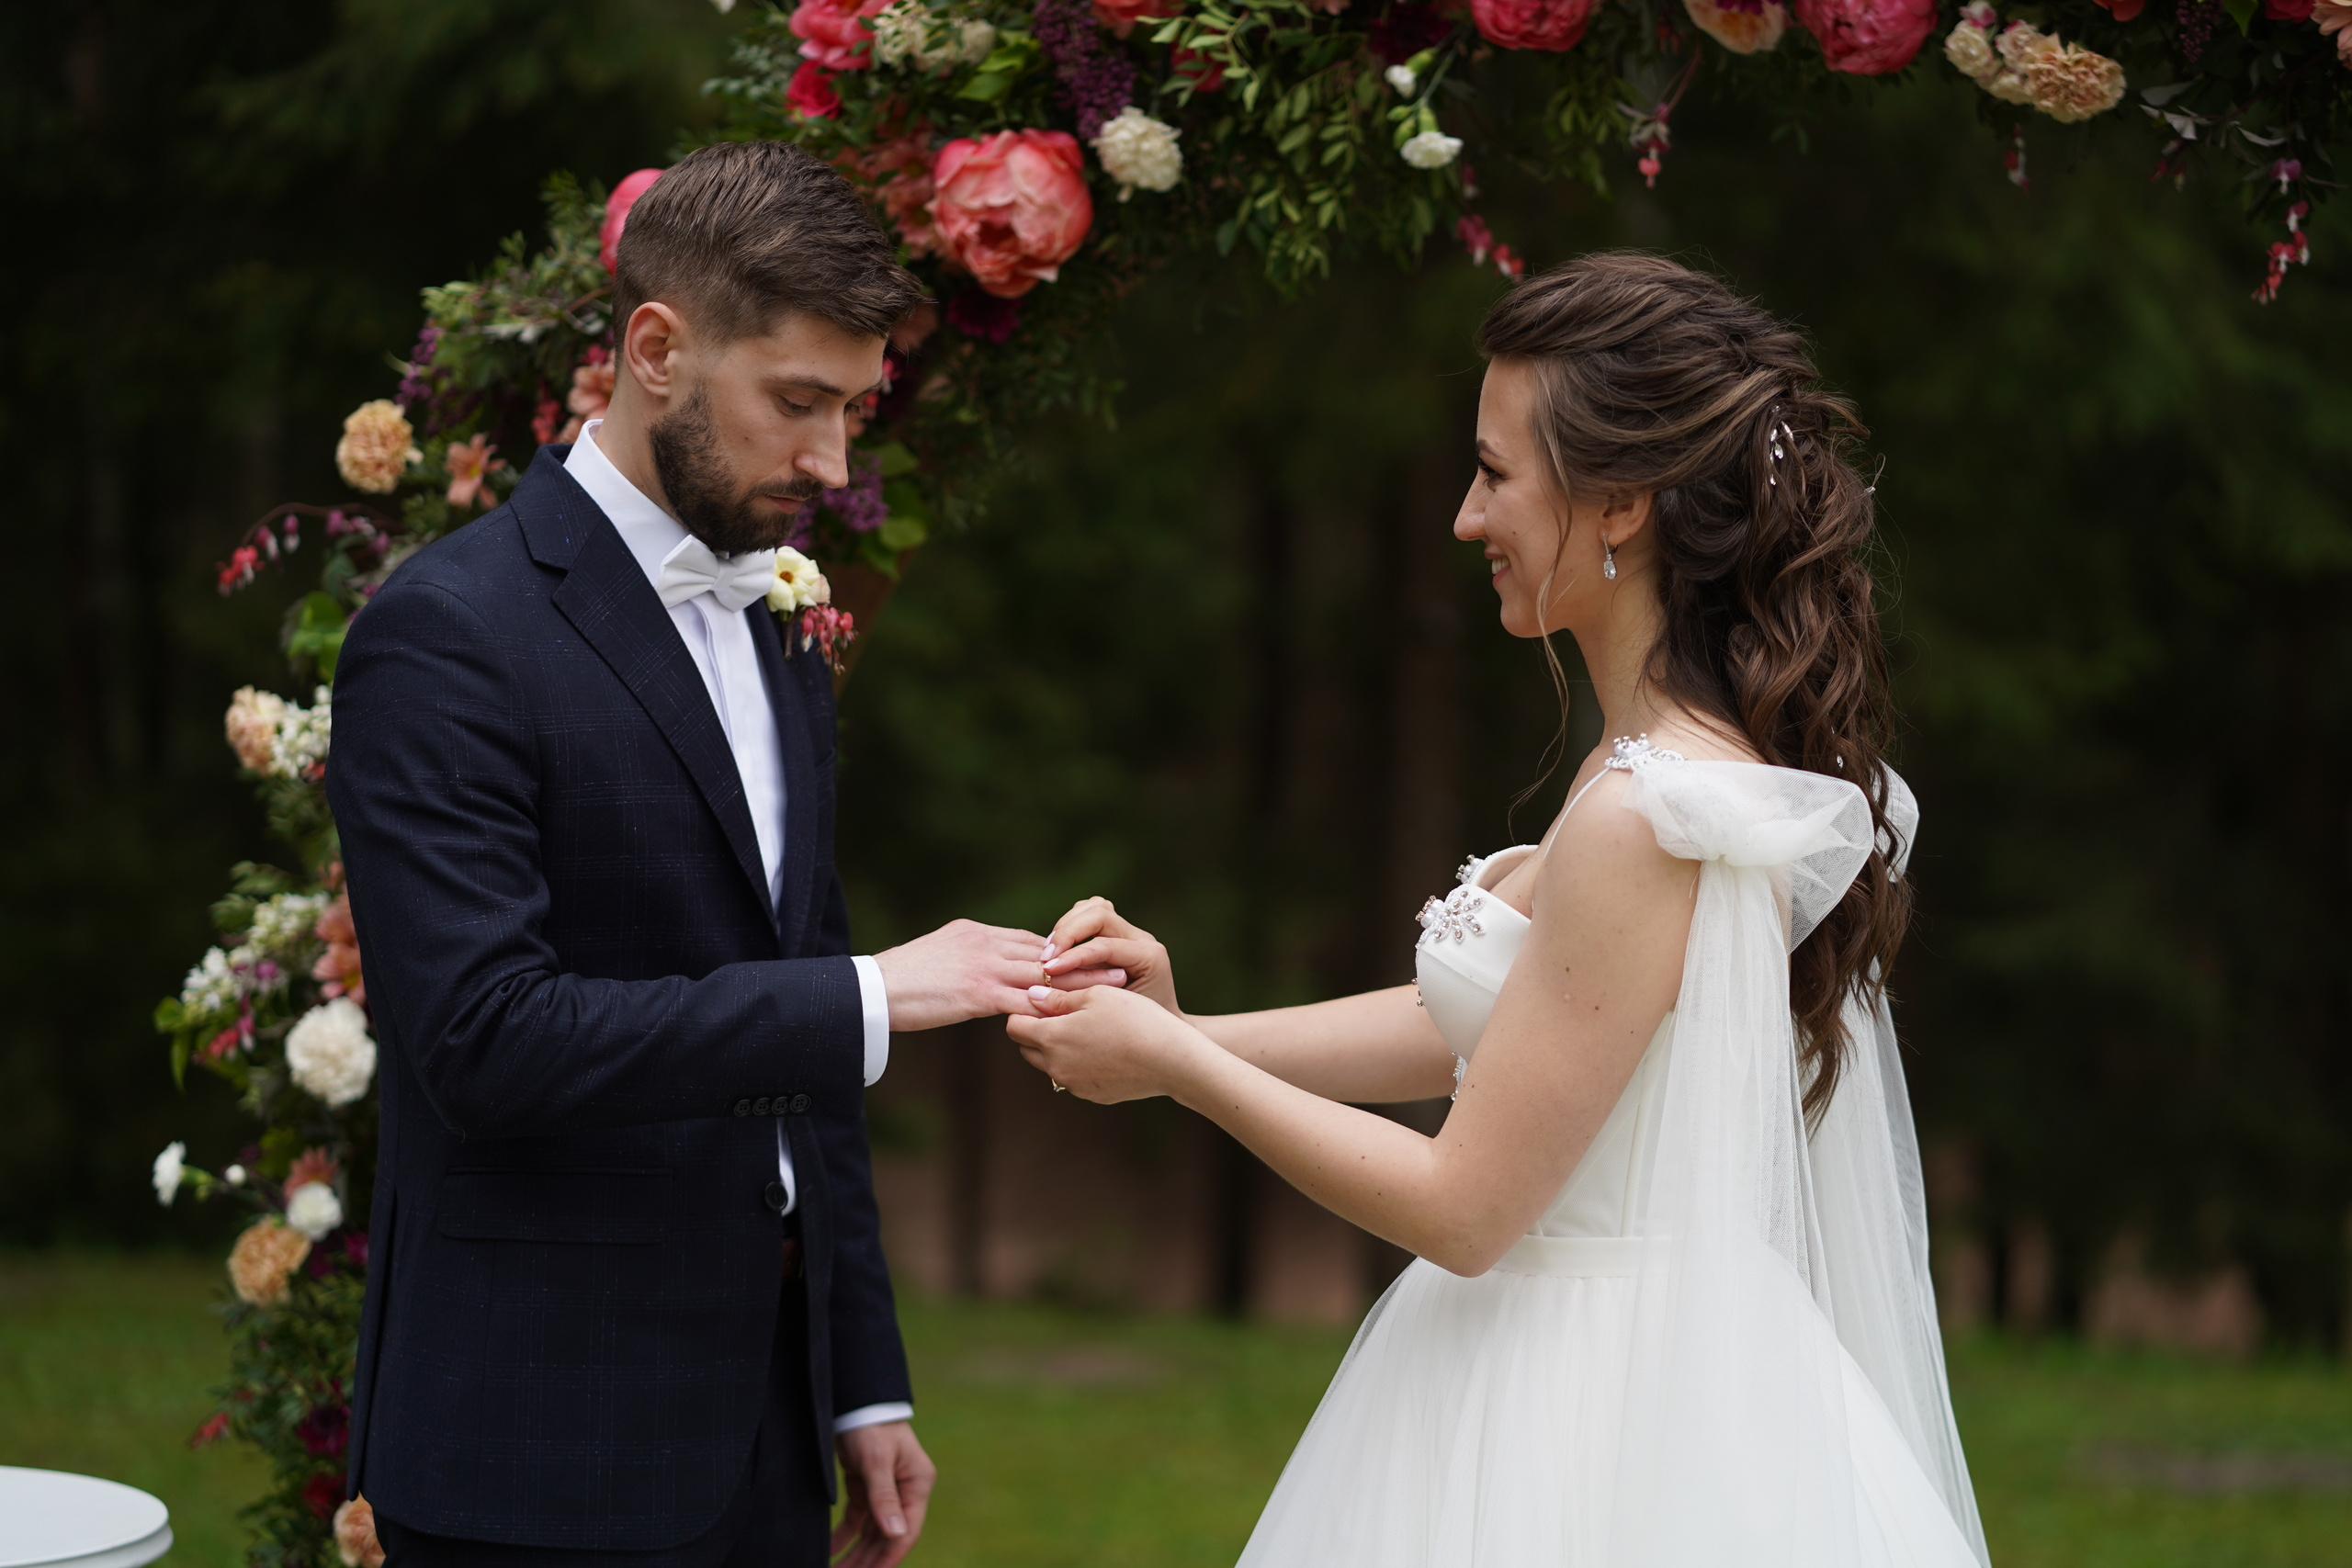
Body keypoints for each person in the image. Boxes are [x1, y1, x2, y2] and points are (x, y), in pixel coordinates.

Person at [1008, 253, 1992, 1565]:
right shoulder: (1659, 765)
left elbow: (1470, 1209)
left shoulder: (1646, 811)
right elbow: (1500, 1028)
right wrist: (1198, 1028)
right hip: (1599, 1349)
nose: (1469, 518)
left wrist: (1181, 1071)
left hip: (1588, 1400)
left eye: (1494, 473)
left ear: (1622, 502)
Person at [329, 141, 1098, 1568]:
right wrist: (869, 997)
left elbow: (798, 1032)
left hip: (766, 1430)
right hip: (534, 1443)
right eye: (798, 403)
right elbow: (484, 1041)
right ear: (657, 347)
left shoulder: (777, 620)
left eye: (855, 409)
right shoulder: (446, 637)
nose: (832, 462)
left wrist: (861, 1377)